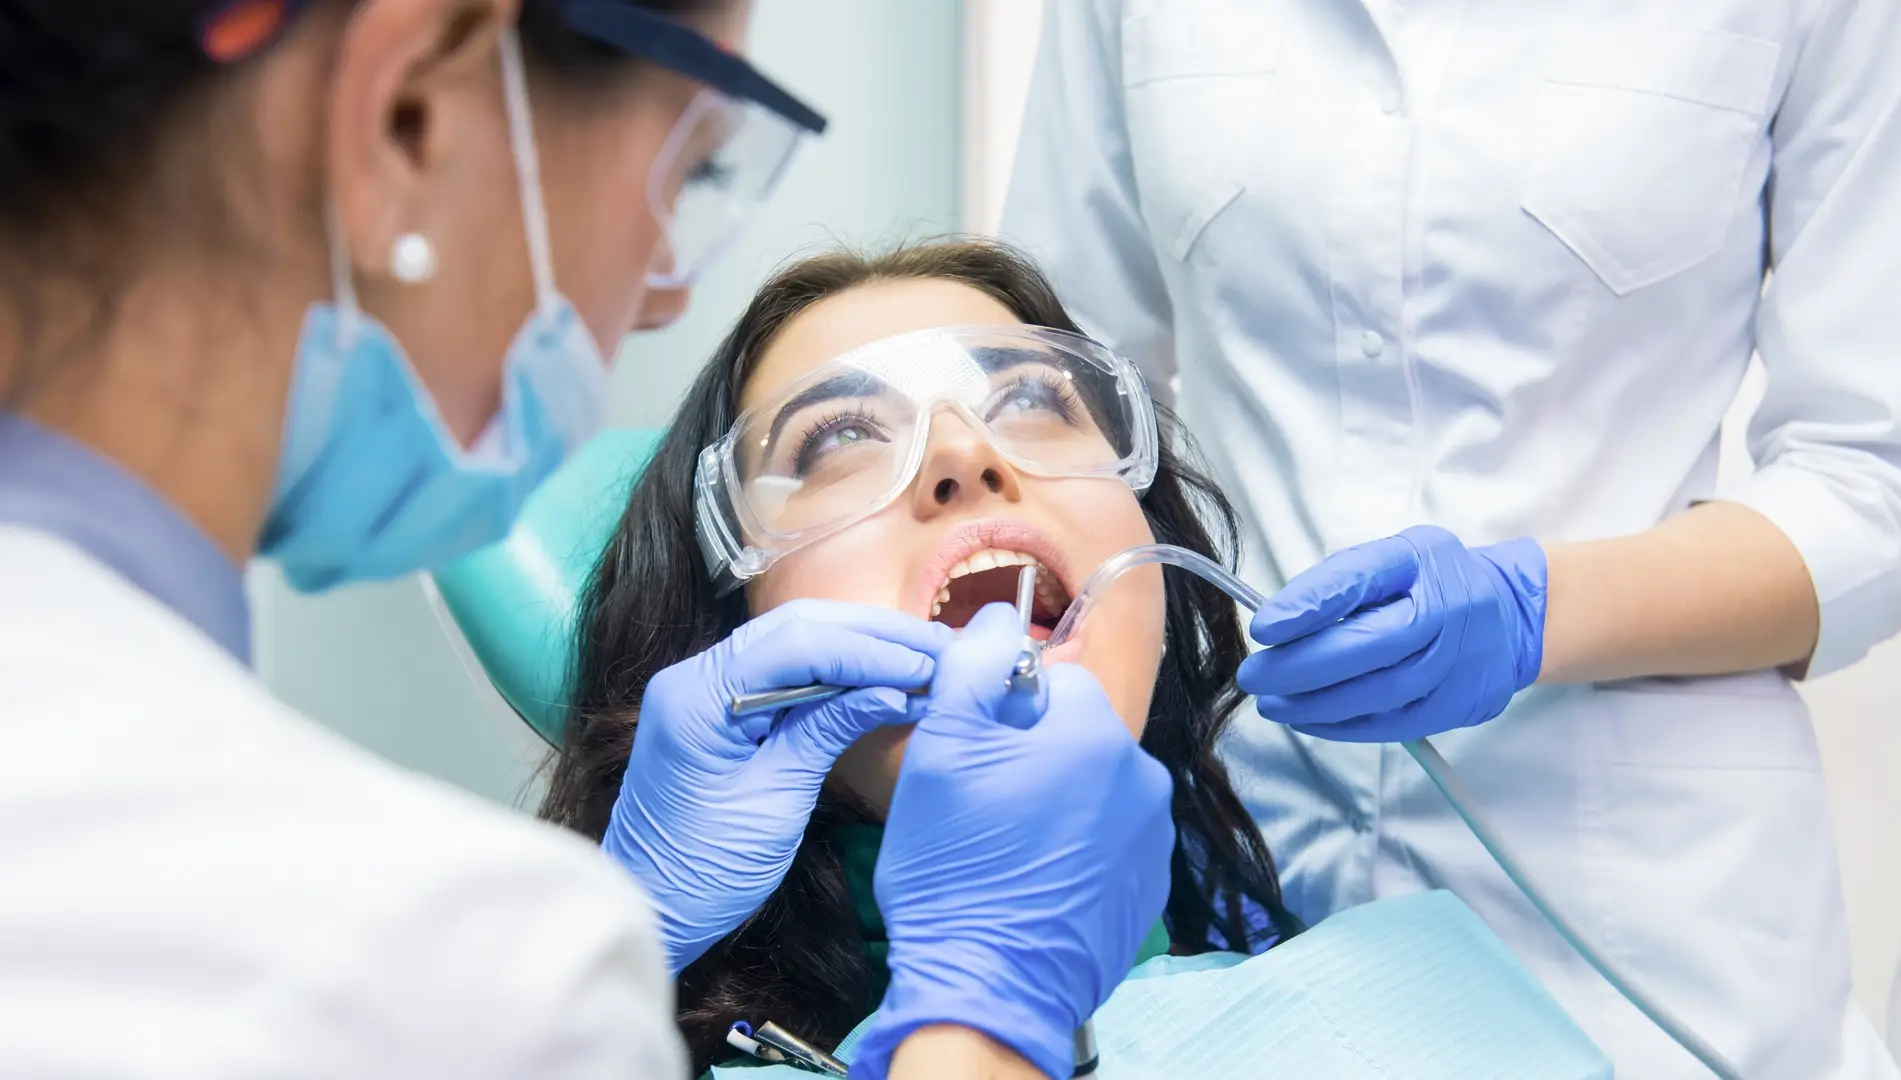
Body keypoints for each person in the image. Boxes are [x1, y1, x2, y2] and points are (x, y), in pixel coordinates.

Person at [0, 3, 1170, 1077]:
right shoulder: (413, 972)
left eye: (1032, 399)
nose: (662, 300)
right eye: (691, 165)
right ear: (407, 111)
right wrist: (987, 1012)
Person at [1000, 2, 1901, 1078]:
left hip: (1639, 914)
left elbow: (1877, 481)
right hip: (1238, 853)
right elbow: (1052, 383)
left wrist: (1534, 612)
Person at [540, 240, 1302, 1074]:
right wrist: (630, 931)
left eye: (1033, 399)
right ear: (734, 629)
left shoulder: (1369, 978)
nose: (964, 454)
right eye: (837, 440)